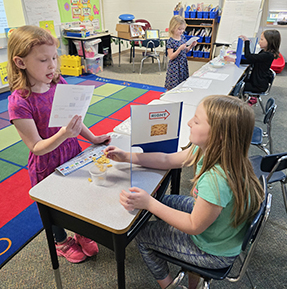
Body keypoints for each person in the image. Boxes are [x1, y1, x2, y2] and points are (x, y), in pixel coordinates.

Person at [104, 95, 265, 289]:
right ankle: (193, 280)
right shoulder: (210, 149)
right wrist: (126, 156)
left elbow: (193, 225)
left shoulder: (217, 179)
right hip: (219, 228)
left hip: (213, 251)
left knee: (143, 234)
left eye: (196, 121)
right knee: (166, 201)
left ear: (219, 133)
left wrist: (149, 203)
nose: (189, 122)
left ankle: (169, 285)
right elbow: (166, 160)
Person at [7, 25, 111, 264]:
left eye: (54, 57)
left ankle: (81, 231)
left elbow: (73, 119)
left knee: (78, 197)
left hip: (71, 154)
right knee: (54, 209)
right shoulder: (19, 102)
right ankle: (61, 241)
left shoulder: (58, 82)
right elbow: (36, 146)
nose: (52, 65)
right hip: (46, 163)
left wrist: (92, 138)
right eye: (44, 60)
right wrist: (65, 134)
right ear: (20, 63)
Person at [224, 30, 281, 105]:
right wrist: (233, 60)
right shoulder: (264, 52)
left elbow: (249, 57)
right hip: (257, 81)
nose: (259, 41)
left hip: (258, 85)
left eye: (262, 39)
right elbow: (252, 60)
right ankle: (248, 98)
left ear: (270, 42)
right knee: (237, 82)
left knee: (234, 87)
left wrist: (247, 42)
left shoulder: (268, 55)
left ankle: (232, 105)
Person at [164, 15, 197, 91]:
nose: (181, 31)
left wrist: (191, 46)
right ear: (173, 28)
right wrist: (179, 49)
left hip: (183, 64)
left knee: (182, 84)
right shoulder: (171, 41)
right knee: (172, 86)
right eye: (179, 29)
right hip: (175, 66)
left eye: (183, 29)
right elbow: (171, 57)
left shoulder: (182, 37)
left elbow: (185, 51)